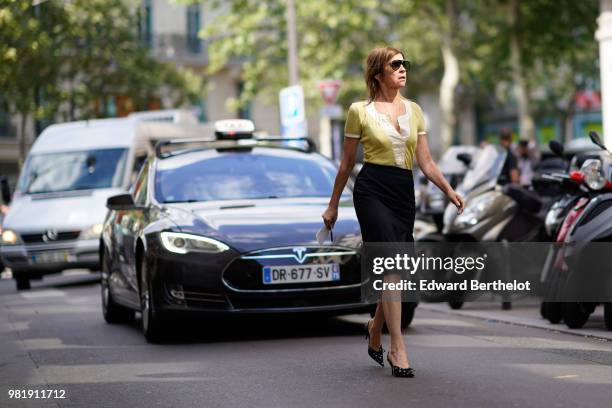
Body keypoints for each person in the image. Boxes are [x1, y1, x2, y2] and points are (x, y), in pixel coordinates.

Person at [321, 46, 465, 378]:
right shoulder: (359, 110)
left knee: (397, 268)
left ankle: (375, 327)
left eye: (405, 64)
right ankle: (397, 347)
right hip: (372, 189)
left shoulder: (414, 110)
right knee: (391, 266)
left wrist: (449, 189)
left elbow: (426, 162)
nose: (403, 69)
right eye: (395, 64)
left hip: (403, 192)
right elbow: (345, 164)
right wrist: (332, 205)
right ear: (377, 74)